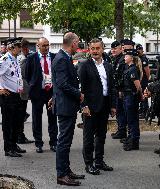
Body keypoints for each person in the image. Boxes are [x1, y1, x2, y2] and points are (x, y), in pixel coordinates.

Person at [52, 32, 85, 186]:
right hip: (65, 106)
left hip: (68, 105)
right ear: (72, 43)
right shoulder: (61, 59)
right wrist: (78, 94)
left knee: (67, 140)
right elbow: (63, 84)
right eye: (77, 42)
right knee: (63, 141)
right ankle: (61, 175)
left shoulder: (65, 57)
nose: (79, 44)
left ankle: (66, 170)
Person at [79, 38, 116, 175]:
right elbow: (81, 88)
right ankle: (89, 164)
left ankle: (99, 161)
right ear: (89, 49)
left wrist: (113, 105)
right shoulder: (84, 65)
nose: (95, 51)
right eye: (92, 48)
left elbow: (111, 87)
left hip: (105, 105)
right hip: (90, 107)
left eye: (97, 48)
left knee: (101, 136)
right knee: (88, 137)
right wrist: (84, 106)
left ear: (102, 49)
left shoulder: (108, 66)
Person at [25, 37, 58, 153]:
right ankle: (38, 143)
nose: (46, 48)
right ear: (38, 46)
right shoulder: (31, 58)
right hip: (38, 92)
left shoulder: (54, 57)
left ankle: (54, 142)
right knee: (37, 118)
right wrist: (33, 85)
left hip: (51, 92)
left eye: (47, 45)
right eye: (43, 45)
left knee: (53, 118)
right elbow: (27, 75)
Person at [0, 37, 27, 157]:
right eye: (18, 47)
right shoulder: (5, 59)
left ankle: (14, 144)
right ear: (11, 47)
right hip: (8, 96)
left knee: (16, 122)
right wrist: (0, 89)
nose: (20, 49)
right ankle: (8, 148)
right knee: (8, 123)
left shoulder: (15, 59)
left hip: (16, 95)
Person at [122, 49, 142, 151]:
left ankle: (134, 141)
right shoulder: (129, 68)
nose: (124, 57)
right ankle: (131, 138)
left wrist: (140, 95)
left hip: (131, 96)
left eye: (126, 56)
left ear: (132, 58)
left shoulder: (133, 69)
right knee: (130, 119)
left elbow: (138, 86)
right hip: (127, 96)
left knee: (132, 120)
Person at [17, 39, 34, 144]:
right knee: (21, 113)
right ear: (23, 48)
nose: (28, 50)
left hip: (20, 89)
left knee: (21, 113)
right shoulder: (23, 59)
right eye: (26, 47)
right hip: (22, 90)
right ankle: (20, 136)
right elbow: (24, 76)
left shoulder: (19, 57)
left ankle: (20, 135)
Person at [110, 40, 128, 139]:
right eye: (112, 48)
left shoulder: (122, 59)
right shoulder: (115, 59)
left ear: (121, 48)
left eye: (115, 48)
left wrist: (120, 89)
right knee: (119, 110)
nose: (113, 50)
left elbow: (122, 76)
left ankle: (122, 131)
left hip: (120, 89)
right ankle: (121, 130)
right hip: (116, 89)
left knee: (121, 111)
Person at [136, 44, 150, 118]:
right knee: (140, 95)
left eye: (139, 49)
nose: (138, 51)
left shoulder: (144, 59)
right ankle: (141, 110)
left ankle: (145, 111)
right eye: (137, 49)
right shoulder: (138, 58)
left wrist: (147, 79)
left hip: (143, 80)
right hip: (139, 80)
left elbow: (147, 71)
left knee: (144, 96)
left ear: (142, 50)